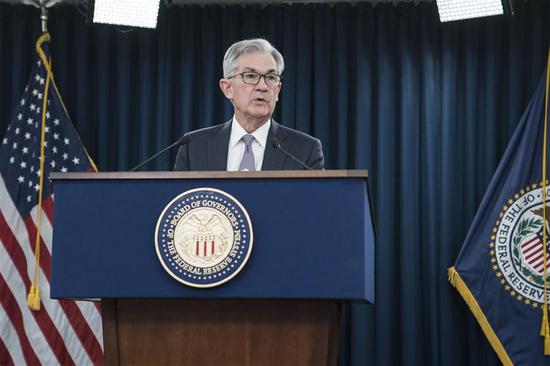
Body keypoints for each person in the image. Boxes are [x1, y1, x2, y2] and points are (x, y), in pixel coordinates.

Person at [173, 38, 324, 171]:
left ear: (277, 90)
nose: (263, 86)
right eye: (250, 76)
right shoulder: (193, 147)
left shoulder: (305, 150)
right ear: (227, 88)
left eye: (271, 77)